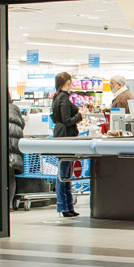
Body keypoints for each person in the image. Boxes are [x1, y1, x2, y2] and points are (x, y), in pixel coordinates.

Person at [50, 72, 83, 218]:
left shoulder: (57, 97)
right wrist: (79, 116)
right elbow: (67, 120)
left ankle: (67, 206)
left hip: (61, 136)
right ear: (68, 82)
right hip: (66, 137)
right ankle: (64, 207)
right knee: (64, 173)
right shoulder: (63, 98)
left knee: (65, 173)